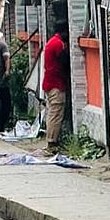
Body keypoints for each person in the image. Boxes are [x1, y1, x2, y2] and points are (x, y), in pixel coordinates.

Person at [42, 20, 70, 153]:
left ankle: (51, 141)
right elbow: (64, 62)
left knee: (52, 113)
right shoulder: (58, 44)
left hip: (50, 83)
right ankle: (52, 144)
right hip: (56, 84)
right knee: (56, 113)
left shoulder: (51, 42)